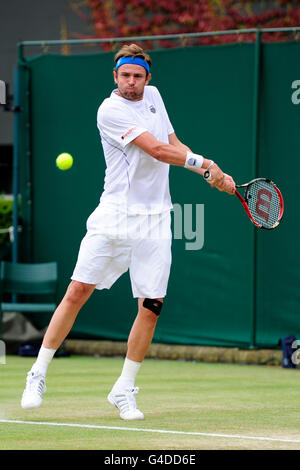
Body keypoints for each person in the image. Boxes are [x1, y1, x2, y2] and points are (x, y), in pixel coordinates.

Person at [21, 43, 235, 420]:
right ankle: (37, 373)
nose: (132, 83)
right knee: (77, 291)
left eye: (138, 76)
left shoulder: (154, 97)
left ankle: (124, 389)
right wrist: (207, 163)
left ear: (147, 78)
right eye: (125, 76)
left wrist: (206, 173)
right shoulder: (110, 110)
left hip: (155, 219)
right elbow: (153, 150)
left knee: (152, 306)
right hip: (115, 216)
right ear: (115, 76)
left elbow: (172, 143)